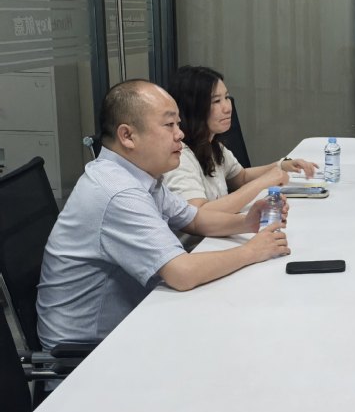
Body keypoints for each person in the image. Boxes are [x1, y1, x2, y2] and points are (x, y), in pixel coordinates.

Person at [35, 80, 291, 350]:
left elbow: (194, 218)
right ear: (127, 136)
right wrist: (251, 251)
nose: (180, 134)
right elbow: (182, 273)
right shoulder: (118, 193)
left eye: (178, 124)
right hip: (90, 353)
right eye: (169, 125)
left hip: (133, 322)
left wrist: (246, 222)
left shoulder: (140, 175)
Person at [163, 65, 318, 213]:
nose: (227, 108)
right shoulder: (180, 156)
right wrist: (263, 182)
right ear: (193, 108)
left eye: (226, 97)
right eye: (216, 101)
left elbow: (241, 177)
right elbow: (197, 214)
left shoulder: (212, 145)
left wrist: (281, 165)